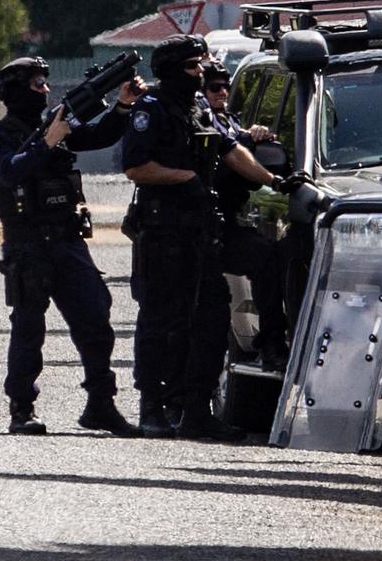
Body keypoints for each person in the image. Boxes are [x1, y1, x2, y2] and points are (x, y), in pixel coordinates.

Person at [122, 34, 285, 441]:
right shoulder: (150, 109)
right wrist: (187, 178)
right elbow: (137, 168)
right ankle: (153, 408)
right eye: (194, 67)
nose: (200, 74)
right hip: (163, 234)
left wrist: (275, 182)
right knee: (162, 321)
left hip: (201, 234)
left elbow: (231, 149)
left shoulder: (198, 109)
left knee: (211, 320)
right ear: (173, 69)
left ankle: (197, 410)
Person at [0, 55, 147, 437]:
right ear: (16, 91)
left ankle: (100, 404)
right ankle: (22, 408)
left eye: (44, 82)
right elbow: (8, 171)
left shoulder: (55, 125)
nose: (43, 89)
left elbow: (100, 135)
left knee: (96, 316)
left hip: (67, 240)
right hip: (27, 245)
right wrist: (46, 143)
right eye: (36, 84)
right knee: (28, 328)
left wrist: (122, 107)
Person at [201, 60, 291, 370]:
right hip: (196, 227)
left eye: (226, 85)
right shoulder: (197, 119)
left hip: (226, 219)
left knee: (267, 257)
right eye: (214, 86)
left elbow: (242, 158)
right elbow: (222, 159)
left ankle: (272, 342)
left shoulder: (228, 121)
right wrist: (247, 141)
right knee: (199, 315)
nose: (222, 91)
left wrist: (256, 138)